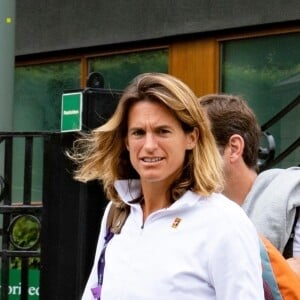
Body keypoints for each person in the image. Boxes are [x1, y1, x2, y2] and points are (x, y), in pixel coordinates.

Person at [70, 73, 264, 300]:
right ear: (126, 141)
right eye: (138, 133)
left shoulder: (224, 222)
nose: (149, 145)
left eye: (163, 131)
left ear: (191, 138)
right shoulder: (117, 213)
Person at [198, 93, 300, 265]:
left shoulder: (292, 201)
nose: (185, 156)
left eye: (198, 146)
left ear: (234, 148)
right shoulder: (186, 213)